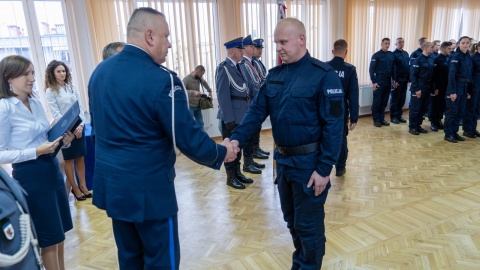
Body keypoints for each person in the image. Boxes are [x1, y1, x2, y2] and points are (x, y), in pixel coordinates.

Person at [88, 8, 236, 269]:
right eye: (166, 36)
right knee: (161, 261)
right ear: (149, 36)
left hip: (114, 187)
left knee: (130, 258)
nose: (169, 44)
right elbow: (187, 137)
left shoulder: (99, 73)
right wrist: (222, 152)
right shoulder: (162, 79)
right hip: (149, 192)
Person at [230, 18, 344, 269]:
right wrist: (236, 139)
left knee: (308, 225)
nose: (278, 47)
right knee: (292, 220)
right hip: (283, 163)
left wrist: (325, 169)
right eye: (276, 43)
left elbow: (335, 127)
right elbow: (255, 113)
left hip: (309, 164)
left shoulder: (324, 76)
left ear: (301, 39)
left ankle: (306, 266)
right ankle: (301, 261)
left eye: (283, 42)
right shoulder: (275, 76)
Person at [0, 55, 74, 270]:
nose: (32, 78)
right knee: (49, 238)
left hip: (51, 169)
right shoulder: (5, 108)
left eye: (32, 73)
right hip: (30, 175)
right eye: (26, 74)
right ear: (9, 78)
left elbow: (45, 138)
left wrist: (63, 141)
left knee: (59, 235)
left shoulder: (35, 102)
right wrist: (34, 152)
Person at [45, 60, 91, 201]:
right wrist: (70, 128)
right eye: (59, 71)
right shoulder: (50, 91)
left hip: (79, 127)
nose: (62, 73)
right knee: (69, 161)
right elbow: (56, 114)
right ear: (52, 73)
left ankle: (83, 187)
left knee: (81, 158)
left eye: (64, 71)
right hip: (66, 132)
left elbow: (80, 108)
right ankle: (75, 190)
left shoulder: (71, 87)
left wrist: (81, 125)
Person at [216, 36, 254, 189]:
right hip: (232, 116)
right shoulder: (224, 68)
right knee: (230, 148)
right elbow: (222, 95)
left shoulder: (238, 67)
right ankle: (230, 177)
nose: (242, 52)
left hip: (242, 114)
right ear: (232, 51)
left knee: (239, 148)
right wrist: (228, 119)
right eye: (240, 49)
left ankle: (237, 172)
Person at [326, 39, 359, 177]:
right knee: (341, 139)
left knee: (325, 136)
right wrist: (354, 117)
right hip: (340, 110)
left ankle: (324, 167)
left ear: (333, 52)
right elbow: (353, 95)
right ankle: (340, 168)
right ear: (346, 52)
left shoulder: (325, 67)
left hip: (325, 108)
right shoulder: (350, 69)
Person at [239, 35, 265, 174]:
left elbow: (259, 80)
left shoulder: (251, 63)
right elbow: (250, 85)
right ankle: (247, 163)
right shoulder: (244, 64)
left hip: (254, 102)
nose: (255, 48)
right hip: (249, 103)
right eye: (252, 46)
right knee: (248, 135)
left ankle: (250, 160)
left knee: (253, 133)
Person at [444, 36, 473, 143]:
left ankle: (454, 132)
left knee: (459, 112)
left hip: (464, 88)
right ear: (458, 44)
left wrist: (468, 91)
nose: (465, 45)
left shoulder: (468, 57)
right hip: (455, 87)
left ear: (470, 44)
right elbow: (451, 75)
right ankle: (448, 134)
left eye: (467, 43)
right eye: (463, 43)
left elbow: (469, 75)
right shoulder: (455, 56)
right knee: (452, 112)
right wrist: (452, 91)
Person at [408, 42, 435, 135]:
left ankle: (418, 125)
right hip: (419, 86)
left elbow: (432, 76)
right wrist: (417, 89)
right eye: (432, 47)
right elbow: (413, 76)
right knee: (415, 108)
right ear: (425, 48)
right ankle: (412, 127)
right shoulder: (417, 60)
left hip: (427, 87)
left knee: (423, 108)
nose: (433, 48)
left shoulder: (431, 60)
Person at [369, 37, 396, 127]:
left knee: (384, 101)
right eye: (385, 43)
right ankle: (376, 120)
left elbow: (393, 68)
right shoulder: (376, 55)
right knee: (377, 101)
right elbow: (371, 69)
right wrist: (374, 82)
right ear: (381, 44)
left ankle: (382, 119)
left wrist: (394, 79)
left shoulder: (391, 55)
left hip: (388, 81)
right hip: (379, 80)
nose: (387, 45)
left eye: (388, 43)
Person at [251, 38, 270, 158]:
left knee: (258, 127)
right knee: (254, 127)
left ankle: (256, 148)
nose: (260, 51)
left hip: (260, 96)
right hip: (256, 98)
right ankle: (254, 150)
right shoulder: (251, 63)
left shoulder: (258, 62)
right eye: (258, 48)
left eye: (261, 48)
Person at [430, 41, 453, 131]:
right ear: (443, 49)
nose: (450, 50)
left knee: (442, 105)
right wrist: (435, 88)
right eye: (448, 48)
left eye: (451, 49)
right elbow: (434, 75)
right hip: (438, 86)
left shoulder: (449, 58)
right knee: (435, 105)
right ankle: (433, 122)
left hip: (446, 86)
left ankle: (439, 121)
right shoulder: (437, 59)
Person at [183, 65, 213, 131]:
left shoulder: (199, 78)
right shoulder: (186, 79)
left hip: (198, 105)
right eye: (201, 75)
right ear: (196, 72)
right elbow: (182, 90)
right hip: (189, 106)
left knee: (201, 123)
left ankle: (202, 140)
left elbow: (204, 83)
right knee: (190, 124)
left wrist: (209, 91)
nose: (201, 77)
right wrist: (193, 92)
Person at [462, 41, 480, 137]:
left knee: (477, 108)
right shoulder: (473, 58)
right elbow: (469, 74)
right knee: (470, 108)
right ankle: (467, 129)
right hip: (474, 86)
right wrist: (469, 89)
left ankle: (473, 128)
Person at [390, 37, 410, 124]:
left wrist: (409, 78)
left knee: (402, 99)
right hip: (397, 80)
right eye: (399, 42)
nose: (401, 43)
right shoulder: (393, 54)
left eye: (402, 42)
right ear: (396, 44)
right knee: (395, 99)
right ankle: (393, 116)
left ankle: (399, 115)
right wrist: (394, 80)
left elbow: (408, 67)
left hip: (405, 79)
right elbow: (392, 68)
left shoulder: (406, 53)